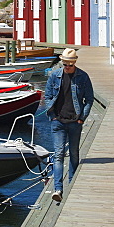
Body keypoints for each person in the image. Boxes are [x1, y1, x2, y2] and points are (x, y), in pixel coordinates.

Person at [37, 48, 95, 202]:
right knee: (58, 154)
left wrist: (82, 117)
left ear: (74, 62)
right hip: (58, 122)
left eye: (69, 64)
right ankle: (58, 189)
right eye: (64, 64)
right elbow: (48, 95)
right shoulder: (55, 76)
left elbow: (89, 99)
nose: (67, 67)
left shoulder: (83, 77)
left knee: (74, 154)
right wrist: (52, 116)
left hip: (75, 122)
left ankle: (72, 184)